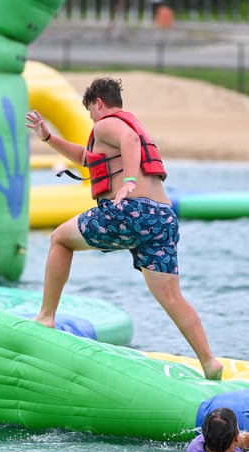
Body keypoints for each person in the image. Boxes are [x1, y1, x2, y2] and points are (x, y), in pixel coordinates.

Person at [25, 76, 223, 380]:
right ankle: (210, 362)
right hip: (162, 218)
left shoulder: (107, 125)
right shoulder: (122, 129)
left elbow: (130, 142)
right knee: (171, 297)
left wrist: (129, 181)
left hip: (130, 211)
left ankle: (46, 316)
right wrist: (49, 139)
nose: (91, 118)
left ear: (98, 103)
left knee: (59, 240)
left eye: (89, 111)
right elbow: (85, 158)